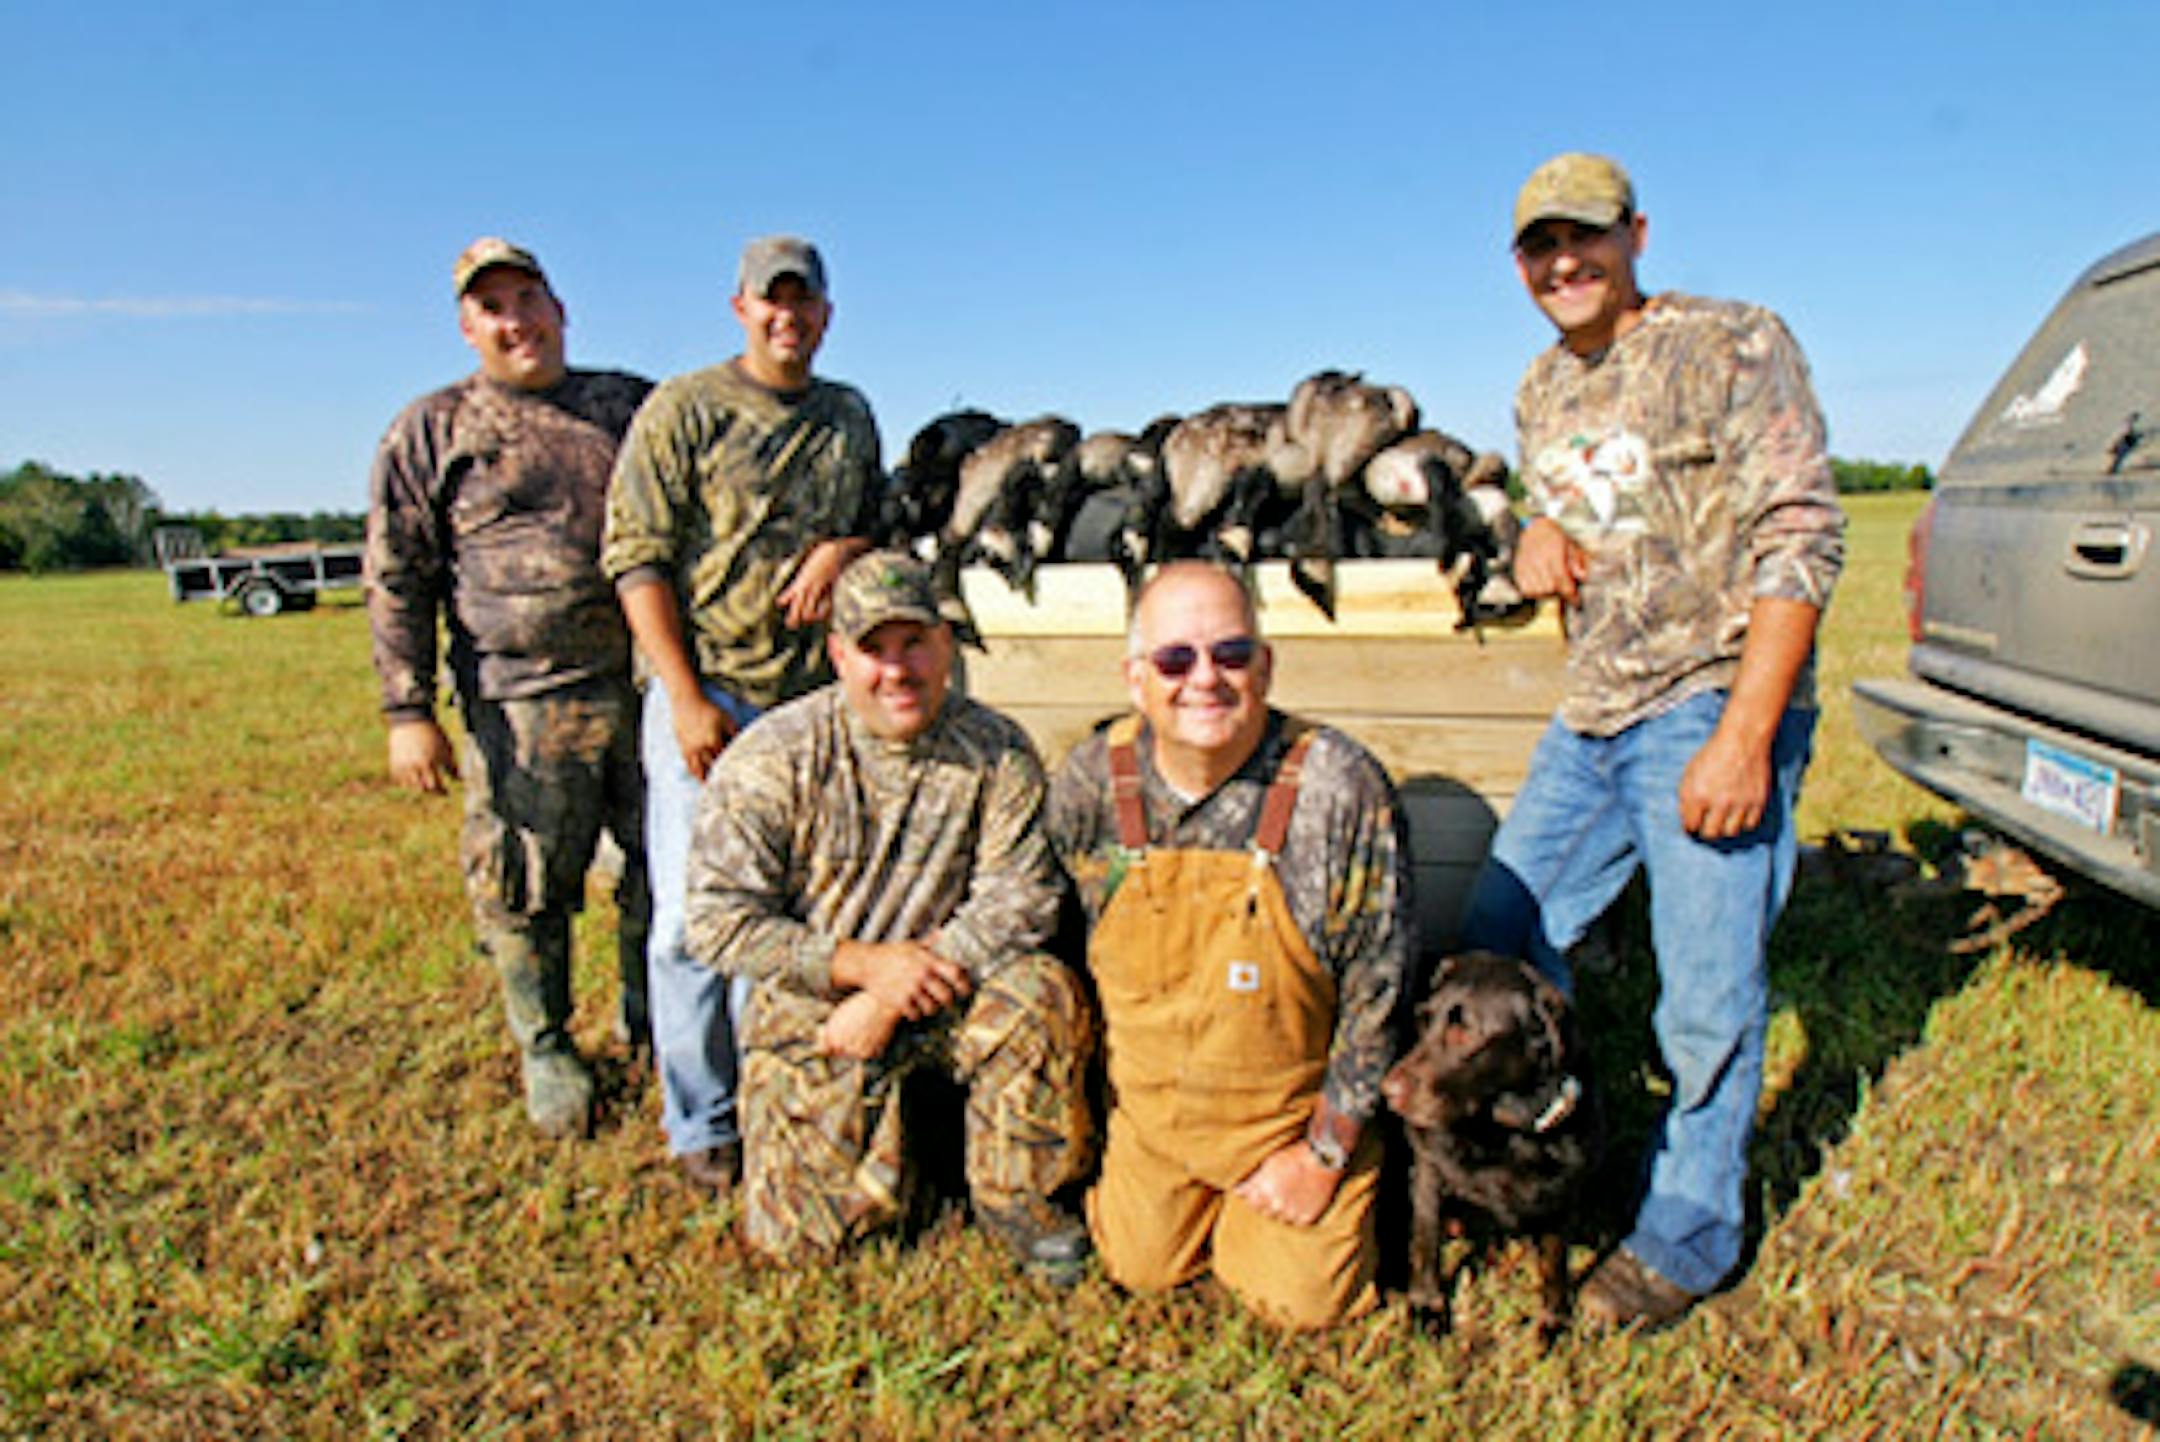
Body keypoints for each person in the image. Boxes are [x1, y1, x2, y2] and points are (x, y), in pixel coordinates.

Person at [1457, 153, 1847, 1330]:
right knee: (1502, 931)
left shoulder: (1732, 342)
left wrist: (1744, 735)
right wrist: (1533, 530)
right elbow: (1587, 514)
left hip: (1707, 702)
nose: (1563, 263)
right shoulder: (1540, 387)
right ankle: (1554, 1133)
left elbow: (1802, 537)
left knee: (1706, 997)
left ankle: (1686, 1233)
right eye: (1539, 247)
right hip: (1592, 713)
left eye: (1585, 237)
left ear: (1635, 234)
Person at [682, 551, 1094, 1277]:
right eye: (873, 648)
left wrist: (892, 993)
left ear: (946, 645)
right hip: (821, 1009)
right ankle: (909, 1156)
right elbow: (718, 922)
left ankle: (1017, 1198)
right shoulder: (773, 757)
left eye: (915, 643)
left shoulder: (998, 752)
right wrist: (864, 970)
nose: (896, 669)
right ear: (838, 654)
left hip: (948, 990)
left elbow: (1022, 898)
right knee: (804, 1246)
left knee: (1039, 994)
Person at [1046, 561, 1412, 1330]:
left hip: (1285, 1121)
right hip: (1153, 1119)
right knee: (1137, 1268)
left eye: (1232, 654)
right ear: (1136, 677)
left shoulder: (1338, 787)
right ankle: (1166, 1199)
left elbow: (1379, 992)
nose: (1205, 679)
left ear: (1266, 665)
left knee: (1298, 1304)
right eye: (1176, 659)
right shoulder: (1089, 784)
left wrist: (1322, 1155)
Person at [601, 236, 883, 1194]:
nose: (787, 319)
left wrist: (844, 547)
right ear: (740, 309)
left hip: (810, 707)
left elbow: (875, 524)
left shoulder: (848, 417)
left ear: (827, 316)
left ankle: (778, 1102)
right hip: (711, 692)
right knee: (690, 919)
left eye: (803, 304)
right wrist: (682, 700)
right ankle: (702, 1122)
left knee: (790, 923)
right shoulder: (683, 409)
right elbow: (635, 558)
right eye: (771, 302)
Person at [366, 237, 653, 1139]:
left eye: (528, 298)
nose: (516, 319)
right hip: (524, 701)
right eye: (493, 307)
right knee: (527, 880)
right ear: (466, 327)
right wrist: (408, 711)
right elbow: (397, 574)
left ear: (560, 308)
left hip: (649, 685)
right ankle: (547, 1043)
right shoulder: (433, 428)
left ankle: (652, 1024)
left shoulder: (629, 407)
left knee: (666, 871)